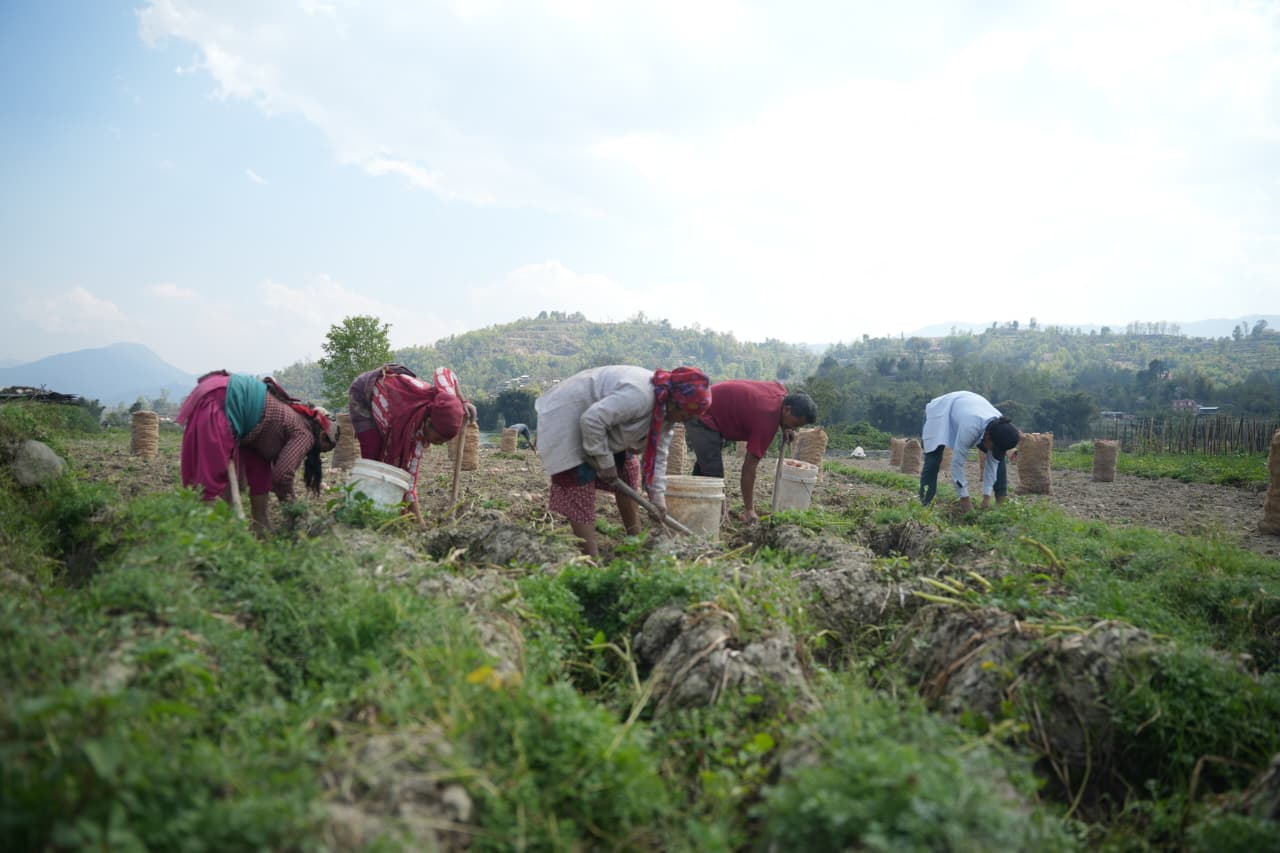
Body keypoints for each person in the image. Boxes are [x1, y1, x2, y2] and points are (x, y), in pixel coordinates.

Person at [535, 365, 711, 556]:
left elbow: (658, 458)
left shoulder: (666, 414)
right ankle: (590, 560)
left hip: (606, 425)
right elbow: (592, 420)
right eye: (686, 415)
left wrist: (658, 499)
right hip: (571, 413)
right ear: (676, 402)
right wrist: (605, 462)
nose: (685, 421)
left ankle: (634, 543)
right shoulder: (640, 396)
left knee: (628, 470)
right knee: (579, 480)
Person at [178, 371, 338, 534]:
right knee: (216, 483)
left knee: (260, 470)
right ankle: (209, 534)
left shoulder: (272, 432)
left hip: (220, 391)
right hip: (223, 399)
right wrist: (295, 510)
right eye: (327, 448)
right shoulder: (305, 434)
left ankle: (260, 525)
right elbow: (282, 476)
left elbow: (265, 473)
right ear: (323, 436)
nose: (323, 453)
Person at [347, 364, 473, 527]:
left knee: (391, 473)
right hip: (364, 393)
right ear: (428, 423)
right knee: (376, 464)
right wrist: (421, 526)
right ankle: (365, 515)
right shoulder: (410, 427)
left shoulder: (445, 399)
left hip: (393, 398)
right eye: (440, 438)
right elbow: (406, 482)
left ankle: (390, 514)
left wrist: (463, 401)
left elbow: (445, 372)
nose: (440, 443)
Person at [686, 381, 817, 522]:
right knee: (714, 474)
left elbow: (779, 406)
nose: (794, 429)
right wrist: (749, 509)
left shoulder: (781, 394)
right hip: (702, 414)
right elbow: (749, 468)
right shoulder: (766, 421)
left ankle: (693, 507)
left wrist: (786, 427)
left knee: (705, 468)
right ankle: (717, 519)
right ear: (787, 410)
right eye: (795, 424)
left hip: (711, 408)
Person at [918, 390, 1020, 512]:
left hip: (969, 406)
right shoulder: (971, 427)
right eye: (993, 446)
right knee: (933, 458)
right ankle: (926, 505)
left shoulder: (1000, 425)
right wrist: (965, 499)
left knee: (998, 459)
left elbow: (993, 464)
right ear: (987, 436)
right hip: (943, 410)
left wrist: (986, 497)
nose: (993, 450)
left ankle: (1001, 504)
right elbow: (957, 464)